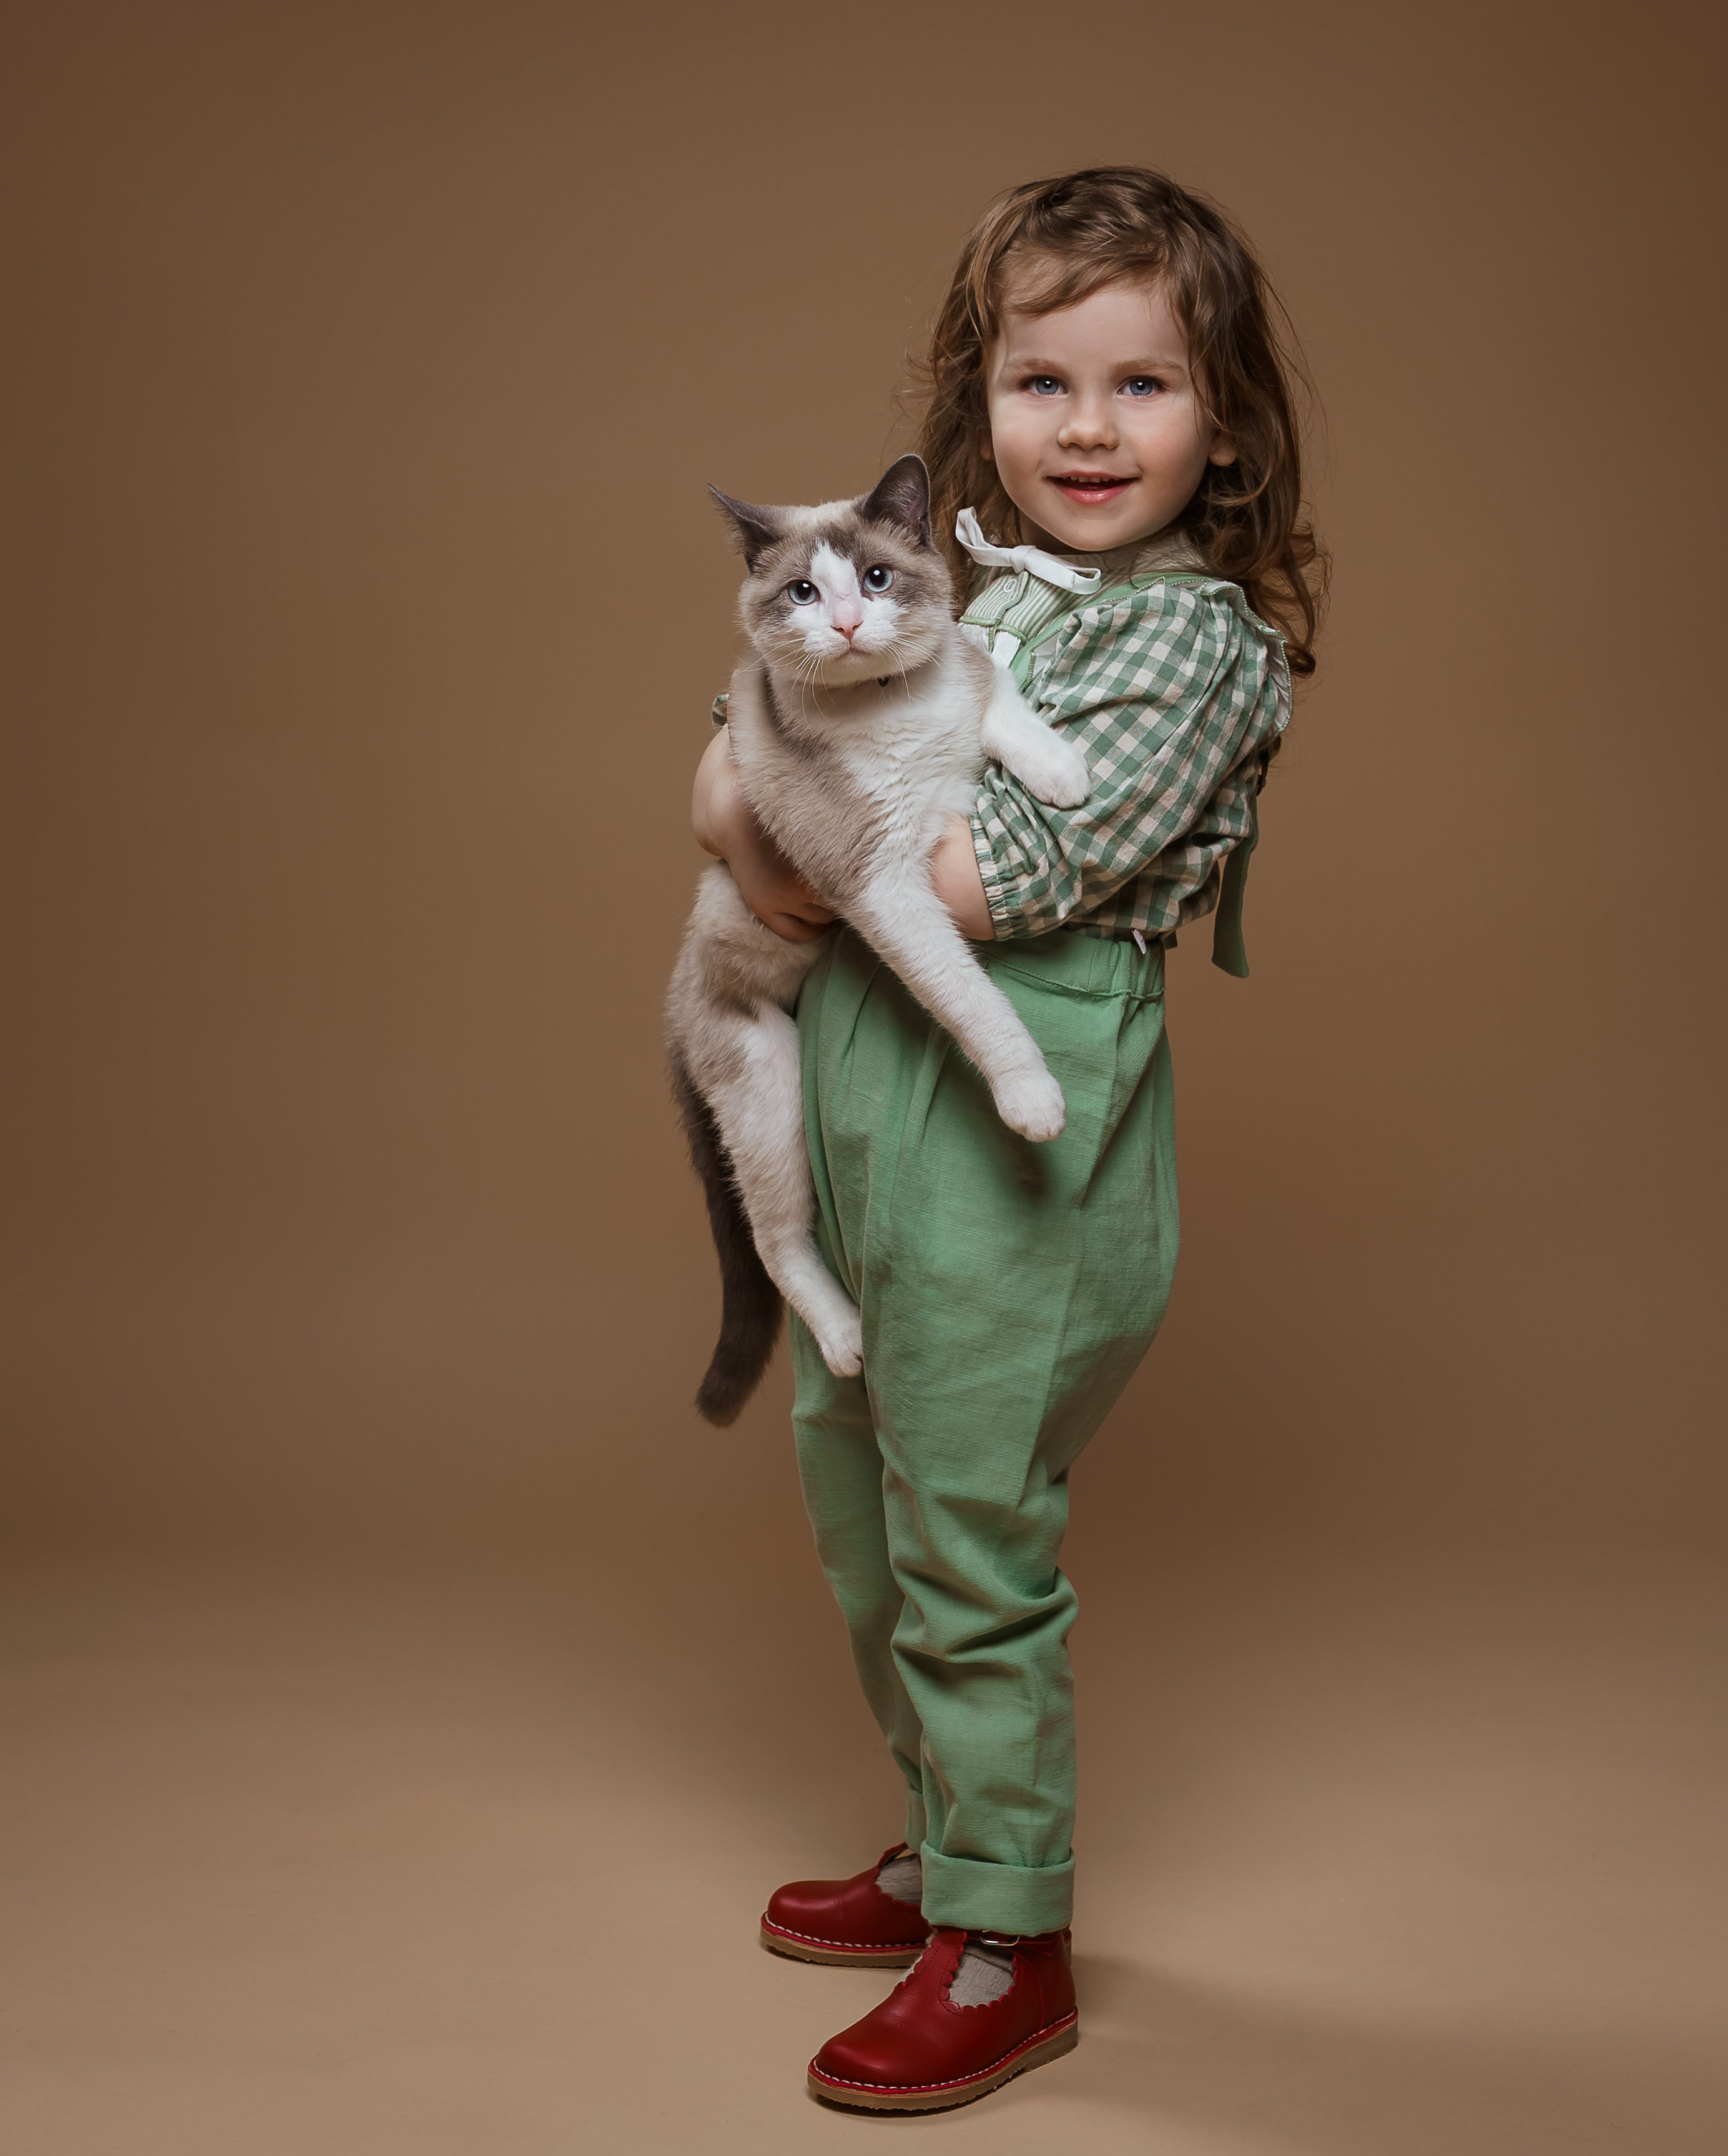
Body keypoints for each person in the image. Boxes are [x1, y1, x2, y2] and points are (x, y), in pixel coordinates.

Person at [689, 165, 1324, 2113]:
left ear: (1222, 421)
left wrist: (765, 811)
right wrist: (765, 804)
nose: (1087, 427)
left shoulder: (1189, 641)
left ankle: (1008, 1927)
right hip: (869, 1103)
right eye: (1044, 382)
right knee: (856, 1499)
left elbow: (973, 865)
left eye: (1143, 385)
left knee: (966, 1533)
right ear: (979, 403)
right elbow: (744, 774)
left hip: (1019, 1154)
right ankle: (944, 1832)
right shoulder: (950, 593)